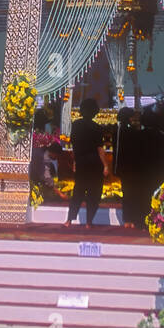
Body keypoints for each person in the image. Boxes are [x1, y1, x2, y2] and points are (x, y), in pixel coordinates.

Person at [64, 98, 108, 230]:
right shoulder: (97, 128)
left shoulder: (76, 125)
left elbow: (75, 146)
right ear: (95, 112)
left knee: (78, 191)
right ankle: (89, 221)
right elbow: (100, 150)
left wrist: (75, 162)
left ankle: (69, 220)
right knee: (94, 193)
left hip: (81, 161)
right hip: (95, 163)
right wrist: (105, 165)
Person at [137, 106, 164, 227]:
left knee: (143, 196)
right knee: (158, 196)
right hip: (159, 171)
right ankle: (159, 221)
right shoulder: (160, 136)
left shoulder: (139, 136)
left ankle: (143, 222)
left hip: (144, 172)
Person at [114, 108, 144, 229]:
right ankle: (133, 218)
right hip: (132, 167)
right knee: (133, 193)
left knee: (127, 193)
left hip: (123, 167)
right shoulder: (131, 131)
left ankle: (127, 219)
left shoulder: (117, 130)